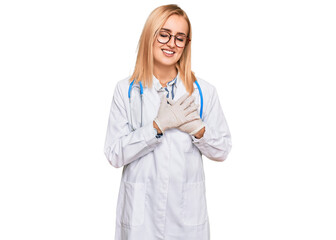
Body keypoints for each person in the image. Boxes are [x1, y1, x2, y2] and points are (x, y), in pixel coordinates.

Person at [104, 4, 232, 240]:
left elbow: (223, 149)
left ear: (186, 44)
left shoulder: (203, 92)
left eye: (180, 38)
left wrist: (199, 130)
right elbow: (114, 154)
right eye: (164, 34)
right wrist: (155, 128)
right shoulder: (126, 90)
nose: (172, 43)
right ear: (150, 36)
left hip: (187, 219)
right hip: (141, 221)